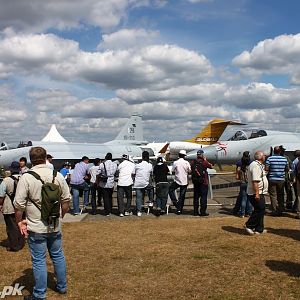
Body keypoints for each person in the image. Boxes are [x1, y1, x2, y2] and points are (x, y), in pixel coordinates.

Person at [14, 146, 71, 300]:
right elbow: (66, 201)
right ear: (46, 157)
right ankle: (62, 286)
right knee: (58, 256)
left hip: (36, 226)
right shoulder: (57, 175)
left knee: (39, 260)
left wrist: (20, 222)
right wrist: (60, 216)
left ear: (31, 159)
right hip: (54, 224)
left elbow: (18, 206)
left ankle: (39, 294)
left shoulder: (26, 177)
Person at [0, 161, 25, 252]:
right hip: (22, 206)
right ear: (19, 169)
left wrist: (0, 205)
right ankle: (21, 243)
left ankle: (14, 245)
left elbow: (1, 195)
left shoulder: (6, 181)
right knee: (21, 224)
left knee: (11, 227)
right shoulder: (24, 179)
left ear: (11, 170)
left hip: (9, 207)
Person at [244, 151, 268, 235]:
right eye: (264, 155)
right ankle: (249, 225)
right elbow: (255, 181)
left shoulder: (259, 165)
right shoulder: (255, 165)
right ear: (260, 157)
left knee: (261, 209)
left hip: (260, 191)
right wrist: (257, 193)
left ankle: (259, 229)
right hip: (255, 192)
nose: (265, 156)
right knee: (259, 209)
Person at [265, 146, 289, 216]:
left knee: (273, 195)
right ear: (280, 151)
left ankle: (274, 210)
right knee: (281, 195)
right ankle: (281, 209)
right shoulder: (284, 159)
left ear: (273, 151)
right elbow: (287, 169)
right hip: (281, 179)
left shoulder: (269, 158)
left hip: (272, 179)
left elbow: (266, 169)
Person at [190, 149, 213, 216]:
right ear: (202, 155)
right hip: (203, 182)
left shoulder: (193, 162)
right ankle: (203, 212)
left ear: (197, 155)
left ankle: (195, 211)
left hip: (196, 182)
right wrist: (205, 160)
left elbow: (191, 169)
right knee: (203, 197)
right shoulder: (204, 162)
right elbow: (211, 166)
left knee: (196, 197)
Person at [168, 150, 191, 214]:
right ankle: (179, 209)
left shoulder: (176, 162)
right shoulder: (187, 163)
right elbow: (189, 170)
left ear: (179, 155)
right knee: (182, 196)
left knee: (170, 190)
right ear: (184, 156)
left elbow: (172, 170)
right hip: (184, 181)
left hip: (177, 180)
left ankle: (176, 203)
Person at [133, 151, 153, 217]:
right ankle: (150, 201)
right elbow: (151, 174)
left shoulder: (137, 165)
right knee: (151, 189)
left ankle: (139, 211)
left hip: (138, 183)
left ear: (142, 157)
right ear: (148, 157)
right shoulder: (150, 165)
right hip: (146, 183)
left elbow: (133, 173)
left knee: (138, 198)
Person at [236, 151, 252, 218]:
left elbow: (237, 171)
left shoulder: (239, 163)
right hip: (249, 182)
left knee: (243, 198)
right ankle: (249, 212)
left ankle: (242, 212)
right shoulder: (251, 163)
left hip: (243, 182)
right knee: (249, 199)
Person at [292, 149, 300, 217]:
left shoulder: (295, 162)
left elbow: (294, 172)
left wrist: (294, 180)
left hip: (298, 180)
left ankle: (298, 211)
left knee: (298, 195)